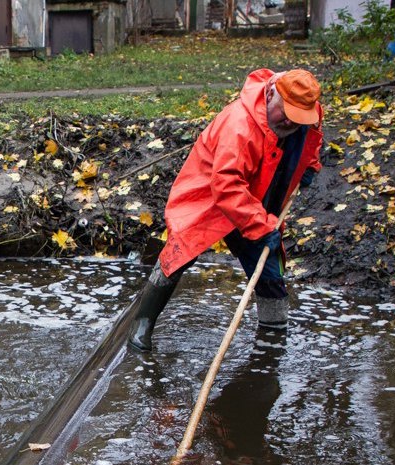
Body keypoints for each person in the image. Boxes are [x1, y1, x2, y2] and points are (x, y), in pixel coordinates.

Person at [128, 68, 324, 351]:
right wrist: (260, 224)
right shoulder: (239, 126)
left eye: (299, 118)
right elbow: (227, 187)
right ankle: (142, 325)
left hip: (260, 195)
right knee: (180, 252)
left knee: (267, 265)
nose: (292, 123)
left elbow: (312, 137)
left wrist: (310, 164)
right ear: (270, 94)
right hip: (210, 195)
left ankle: (274, 331)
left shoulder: (306, 110)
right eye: (286, 115)